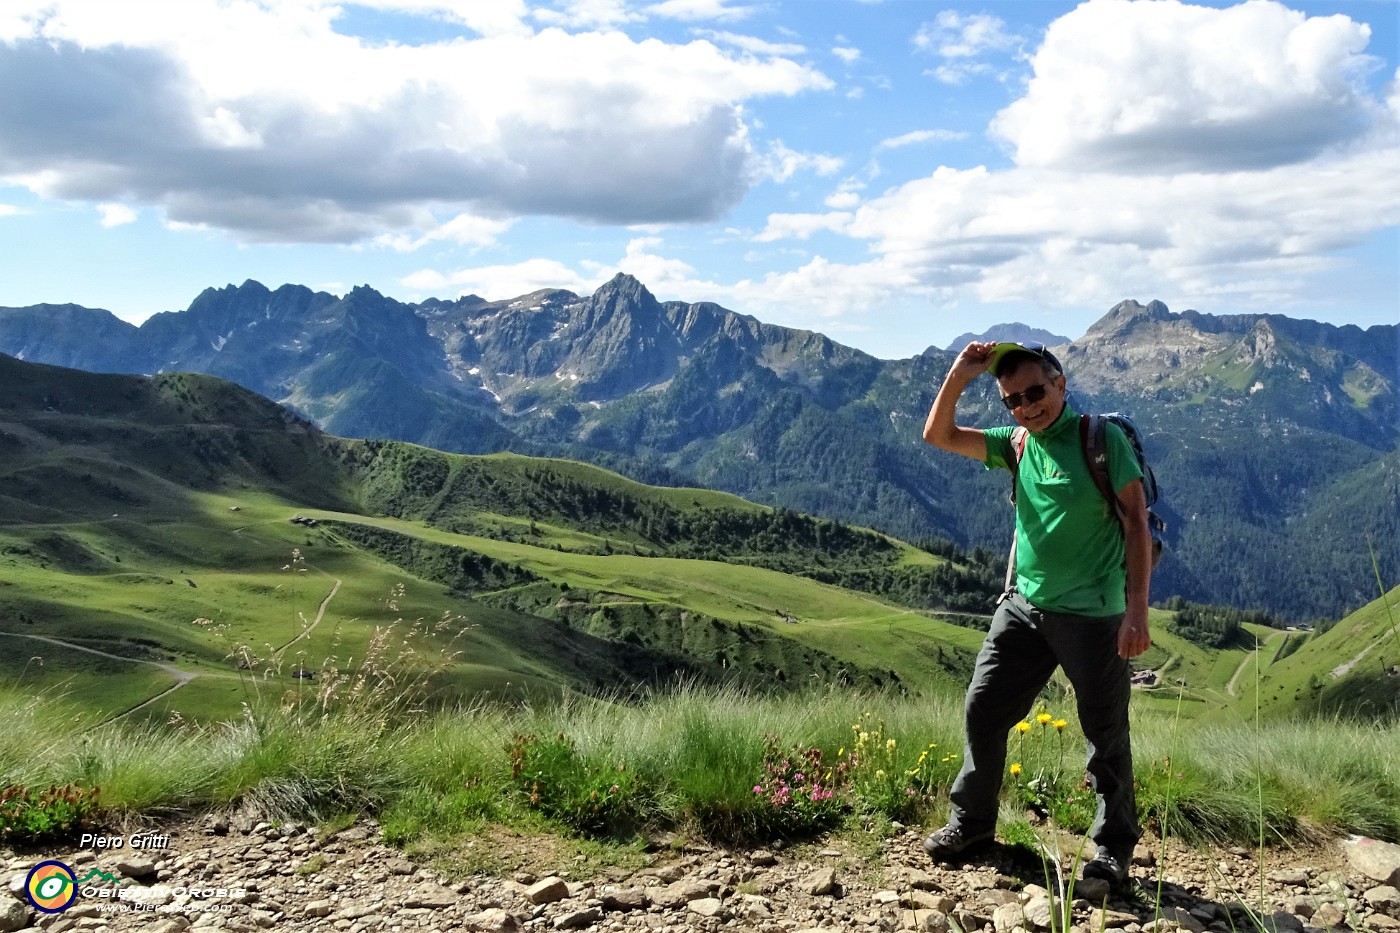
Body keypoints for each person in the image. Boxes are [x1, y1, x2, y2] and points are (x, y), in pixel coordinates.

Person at [919, 340, 1152, 885]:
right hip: (1023, 608)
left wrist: (1136, 611)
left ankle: (1113, 847)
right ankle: (972, 823)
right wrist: (960, 374)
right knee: (984, 710)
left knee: (1105, 733)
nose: (1026, 405)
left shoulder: (1101, 440)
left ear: (1060, 384)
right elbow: (939, 435)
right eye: (1013, 400)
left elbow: (1138, 522)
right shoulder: (1017, 443)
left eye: (1035, 392)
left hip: (1095, 615)